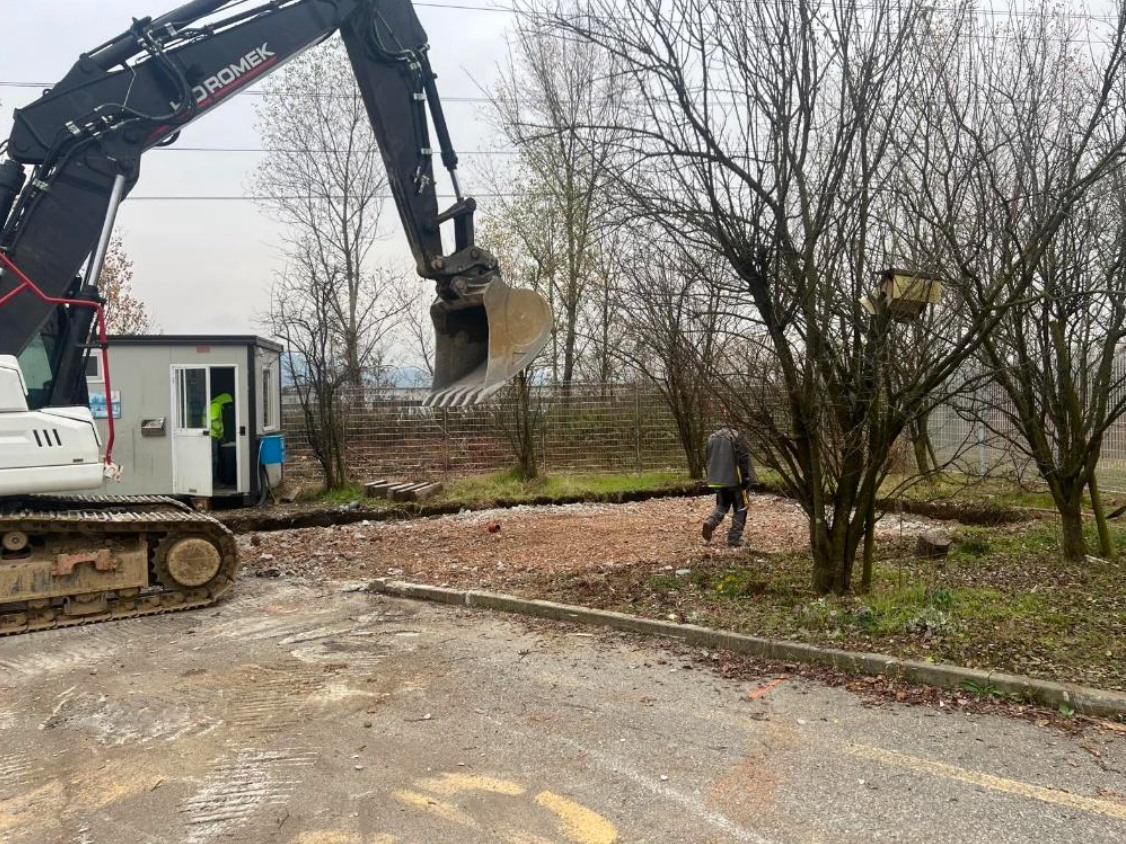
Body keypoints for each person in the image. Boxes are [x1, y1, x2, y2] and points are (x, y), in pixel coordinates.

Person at [702, 410, 756, 547]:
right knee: (741, 507)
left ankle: (710, 523)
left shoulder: (712, 437)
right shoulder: (736, 436)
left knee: (722, 504)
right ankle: (734, 538)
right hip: (735, 480)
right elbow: (743, 459)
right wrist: (747, 479)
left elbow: (708, 457)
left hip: (717, 480)